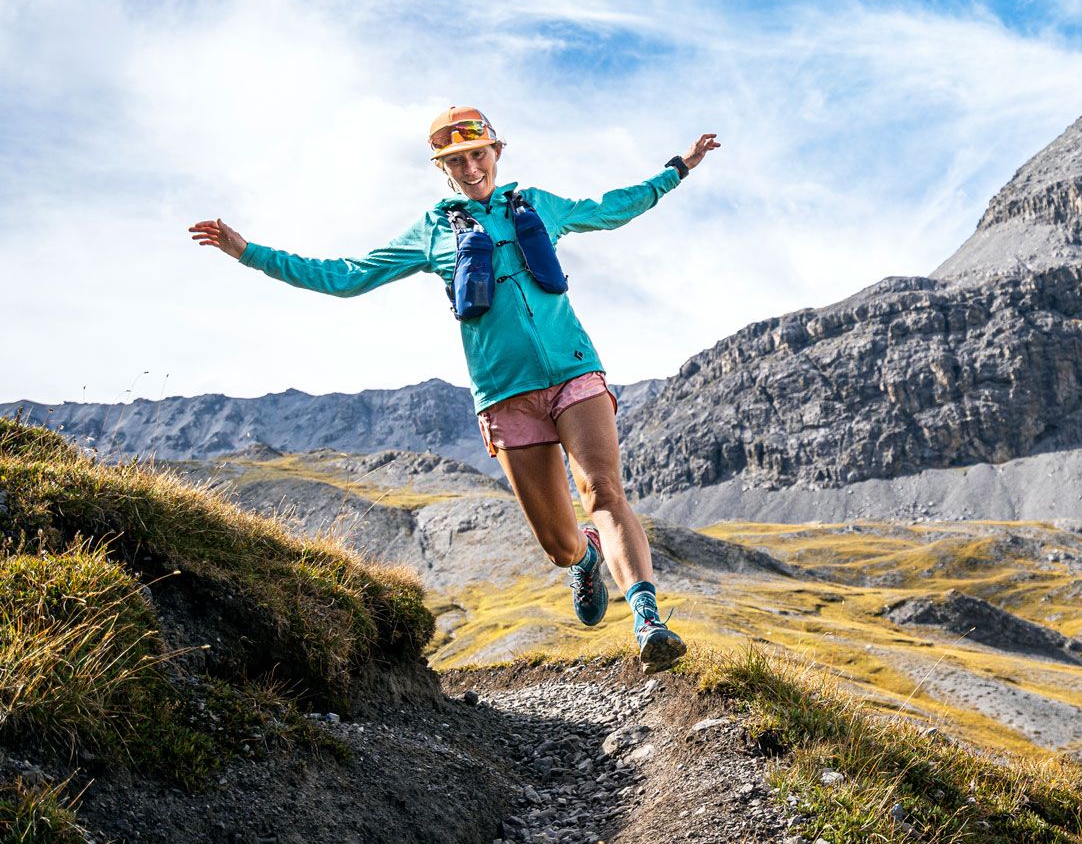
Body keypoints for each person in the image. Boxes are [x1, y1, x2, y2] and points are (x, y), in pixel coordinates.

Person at [189, 107, 719, 673]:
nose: (470, 167)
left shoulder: (536, 206)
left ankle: (647, 620)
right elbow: (344, 276)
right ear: (443, 169)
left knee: (604, 490)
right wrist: (248, 252)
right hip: (504, 396)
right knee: (560, 544)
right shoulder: (431, 233)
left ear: (497, 153)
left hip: (574, 373)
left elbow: (614, 210)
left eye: (478, 154)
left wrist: (677, 168)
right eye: (456, 160)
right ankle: (585, 557)